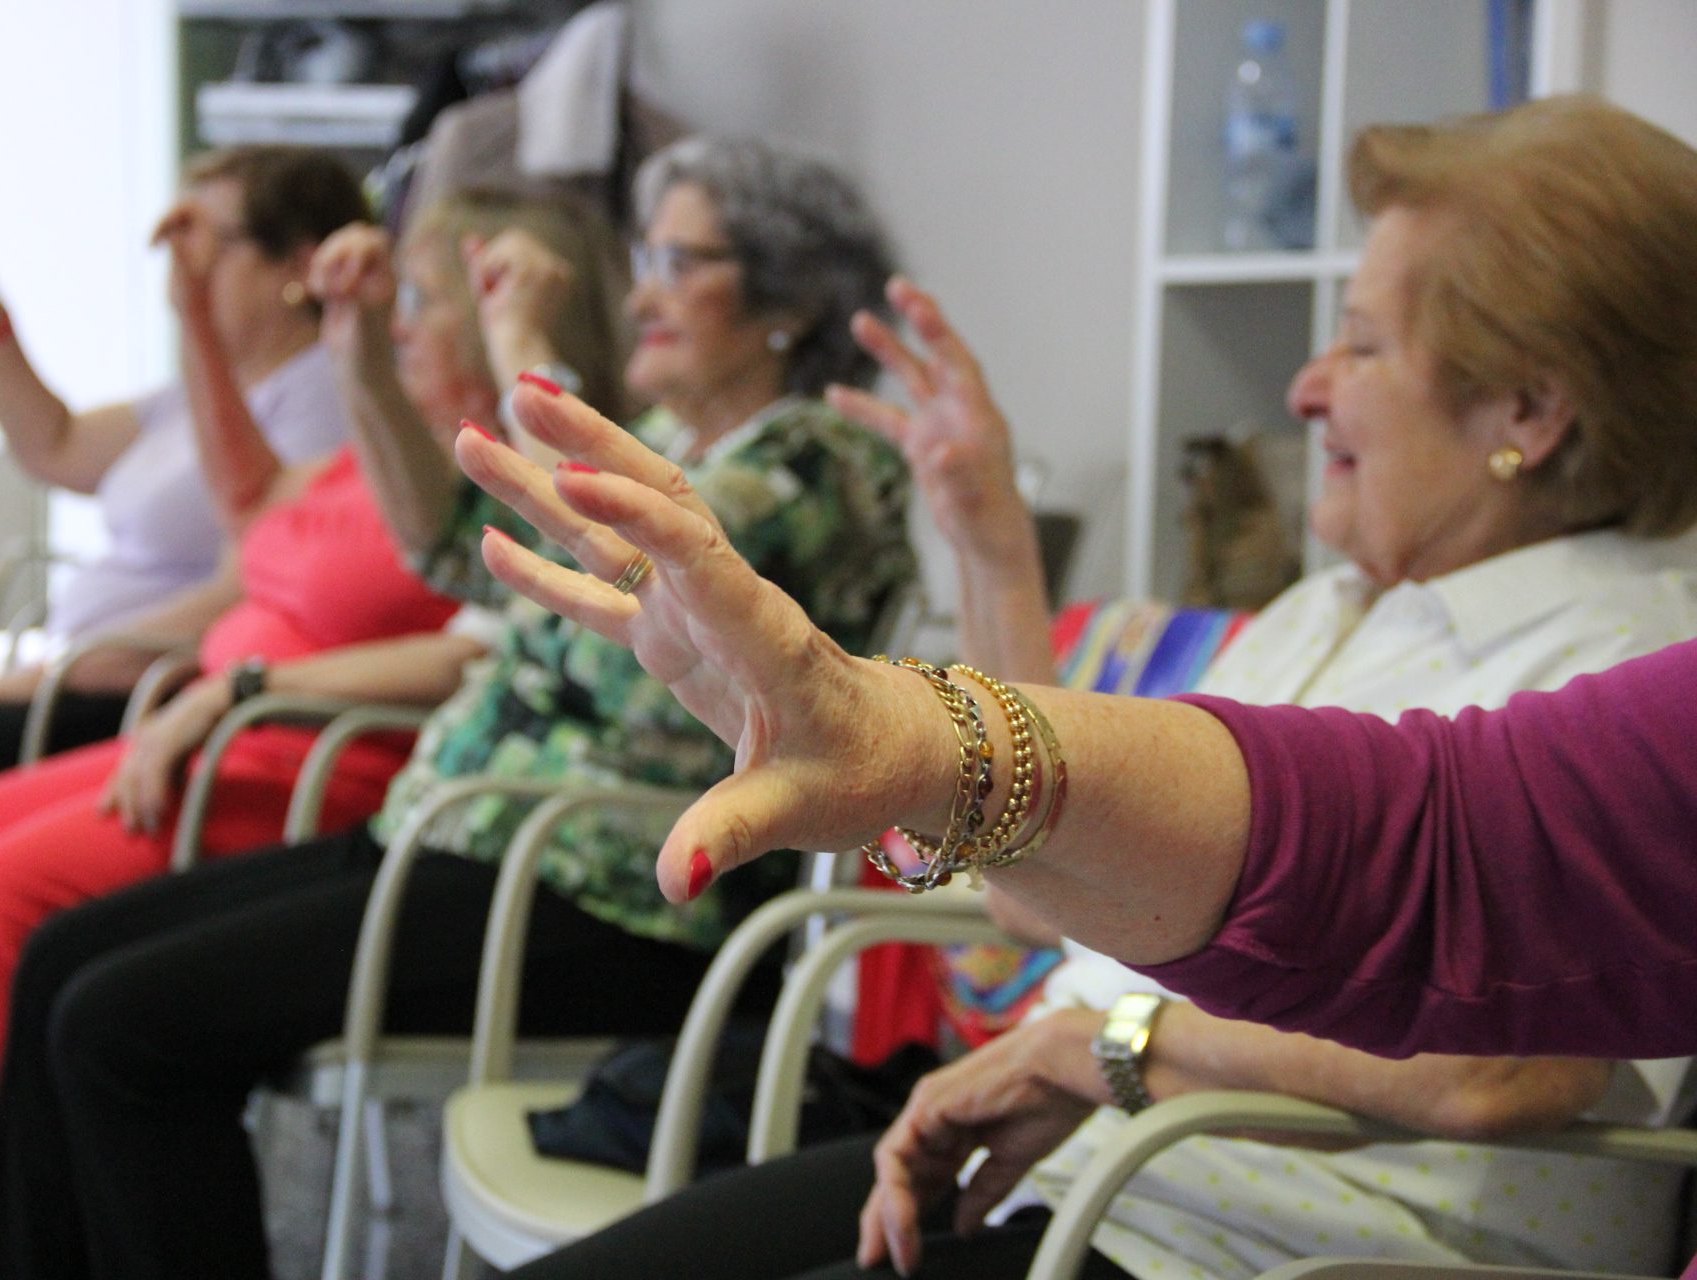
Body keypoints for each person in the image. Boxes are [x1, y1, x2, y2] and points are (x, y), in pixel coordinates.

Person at [462, 96, 1697, 1279]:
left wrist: (1112, 1045)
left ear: (1529, 410)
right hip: (1098, 1168)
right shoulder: (1336, 605)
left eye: (1364, 344)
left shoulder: (1633, 648)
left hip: (1280, 1241)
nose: (1305, 387)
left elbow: (1510, 1064)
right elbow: (1064, 897)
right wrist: (994, 545)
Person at [0, 137, 916, 1280]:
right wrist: (359, 352)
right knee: (62, 960)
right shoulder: (667, 444)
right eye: (644, 254)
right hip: (465, 835)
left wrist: (519, 344)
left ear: (789, 301)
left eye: (680, 259)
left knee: (124, 1027)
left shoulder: (829, 462)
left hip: (612, 894)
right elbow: (460, 547)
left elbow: (635, 587)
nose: (642, 288)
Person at [0, 185, 631, 1280]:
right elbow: (250, 500)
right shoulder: (391, 442)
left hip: (302, 753)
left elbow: (474, 634)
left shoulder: (505, 470)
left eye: (433, 293)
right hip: (221, 726)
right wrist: (214, 314)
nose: (401, 309)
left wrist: (239, 684)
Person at [0, 145, 358, 1242]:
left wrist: (64, 667)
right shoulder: (196, 389)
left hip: (135, 682)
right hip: (78, 662)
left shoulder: (323, 395)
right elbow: (50, 444)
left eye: (207, 235)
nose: (175, 255)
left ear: (292, 265)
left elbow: (268, 573)